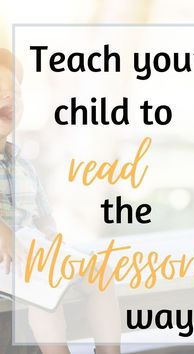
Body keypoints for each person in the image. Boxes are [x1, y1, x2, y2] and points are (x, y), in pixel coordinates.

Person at [0, 48, 121, 354]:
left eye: (14, 91)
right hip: (6, 258)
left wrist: (52, 237)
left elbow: (43, 214)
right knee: (45, 290)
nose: (9, 98)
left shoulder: (22, 162)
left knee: (100, 273)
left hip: (32, 246)